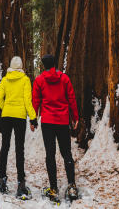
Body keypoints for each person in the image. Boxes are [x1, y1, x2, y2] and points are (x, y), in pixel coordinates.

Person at [32, 53, 80, 202]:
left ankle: (53, 188)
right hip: (62, 121)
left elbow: (35, 100)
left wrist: (33, 120)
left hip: (47, 122)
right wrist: (75, 117)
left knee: (50, 154)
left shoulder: (39, 80)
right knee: (67, 153)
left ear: (44, 65)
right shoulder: (64, 79)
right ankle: (72, 186)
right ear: (55, 64)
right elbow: (71, 98)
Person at [0, 55, 37, 199]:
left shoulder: (5, 79)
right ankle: (21, 184)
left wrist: (6, 108)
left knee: (4, 147)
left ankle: (1, 181)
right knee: (19, 149)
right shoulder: (25, 80)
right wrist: (33, 117)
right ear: (21, 66)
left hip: (6, 116)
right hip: (20, 117)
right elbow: (27, 101)